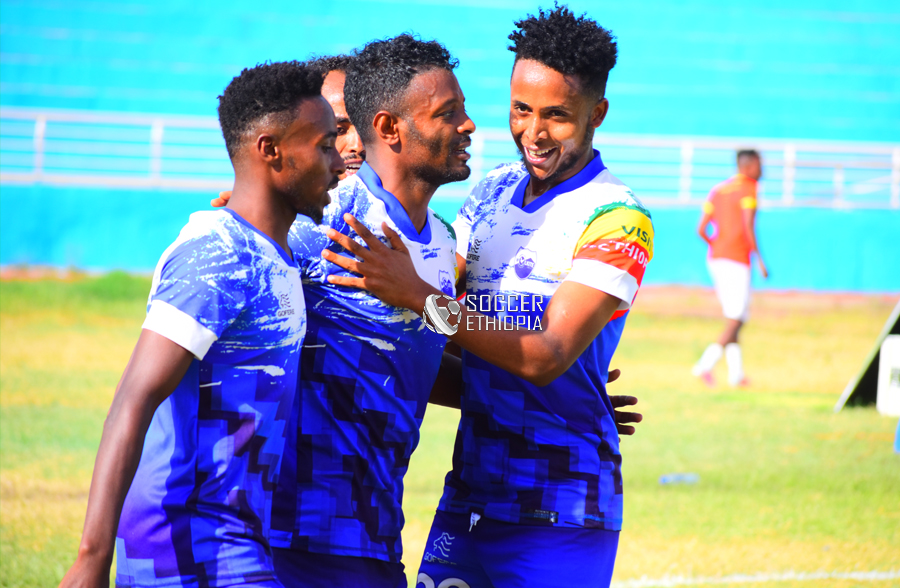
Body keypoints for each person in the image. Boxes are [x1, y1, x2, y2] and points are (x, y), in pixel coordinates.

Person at [323, 6, 652, 587]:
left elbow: (546, 354)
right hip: (469, 496)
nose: (534, 132)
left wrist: (419, 295)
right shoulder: (492, 190)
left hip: (562, 506)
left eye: (557, 115)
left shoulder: (617, 218)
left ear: (597, 114)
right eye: (521, 109)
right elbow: (440, 336)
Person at [58, 61, 343, 588]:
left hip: (238, 537)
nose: (339, 162)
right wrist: (91, 558)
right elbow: (135, 397)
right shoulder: (217, 253)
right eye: (325, 145)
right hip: (184, 543)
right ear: (270, 150)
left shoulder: (279, 254)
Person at [692, 149, 768, 387]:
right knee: (737, 318)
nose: (763, 169)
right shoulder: (749, 188)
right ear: (750, 165)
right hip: (736, 259)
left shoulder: (719, 189)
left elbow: (701, 229)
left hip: (716, 258)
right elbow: (748, 226)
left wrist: (718, 245)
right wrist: (759, 259)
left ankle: (736, 375)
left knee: (735, 316)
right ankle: (704, 365)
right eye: (760, 164)